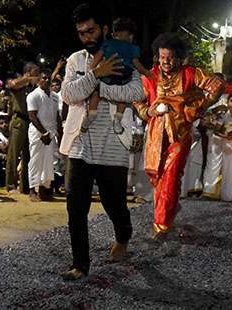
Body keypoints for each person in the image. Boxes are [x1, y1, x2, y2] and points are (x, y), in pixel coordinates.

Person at [58, 3, 145, 280]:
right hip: (79, 144)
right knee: (76, 206)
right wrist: (95, 74)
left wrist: (99, 87)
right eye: (82, 33)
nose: (87, 37)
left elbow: (136, 91)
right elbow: (69, 95)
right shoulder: (75, 60)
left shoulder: (123, 57)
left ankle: (123, 235)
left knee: (114, 203)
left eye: (92, 30)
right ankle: (80, 265)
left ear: (104, 29)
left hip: (113, 145)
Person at [134, 32, 224, 237]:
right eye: (162, 57)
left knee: (172, 175)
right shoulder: (150, 76)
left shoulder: (191, 73)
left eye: (170, 57)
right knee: (156, 176)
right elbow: (137, 100)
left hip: (180, 134)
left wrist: (193, 108)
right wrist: (149, 111)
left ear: (178, 57)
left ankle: (162, 225)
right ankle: (170, 210)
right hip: (156, 133)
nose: (166, 61)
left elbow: (217, 86)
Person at [81, 17, 152, 134]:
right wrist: (148, 73)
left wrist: (91, 71)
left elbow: (96, 59)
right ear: (130, 35)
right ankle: (118, 118)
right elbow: (137, 65)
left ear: (114, 34)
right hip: (124, 78)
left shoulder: (107, 43)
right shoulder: (133, 47)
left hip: (109, 74)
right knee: (124, 97)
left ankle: (92, 114)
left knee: (96, 91)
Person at [27, 69, 61, 202]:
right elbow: (32, 116)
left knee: (49, 161)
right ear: (38, 80)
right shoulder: (33, 95)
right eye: (44, 78)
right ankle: (32, 189)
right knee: (36, 159)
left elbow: (57, 116)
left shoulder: (55, 96)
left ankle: (44, 189)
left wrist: (59, 132)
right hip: (38, 132)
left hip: (51, 132)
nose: (46, 80)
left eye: (48, 79)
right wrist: (44, 133)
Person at [4, 63, 39, 193]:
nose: (38, 76)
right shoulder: (19, 84)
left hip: (31, 121)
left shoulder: (33, 88)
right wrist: (28, 79)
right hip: (19, 120)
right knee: (14, 154)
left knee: (28, 155)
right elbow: (12, 85)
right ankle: (11, 185)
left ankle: (25, 185)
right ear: (28, 73)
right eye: (36, 73)